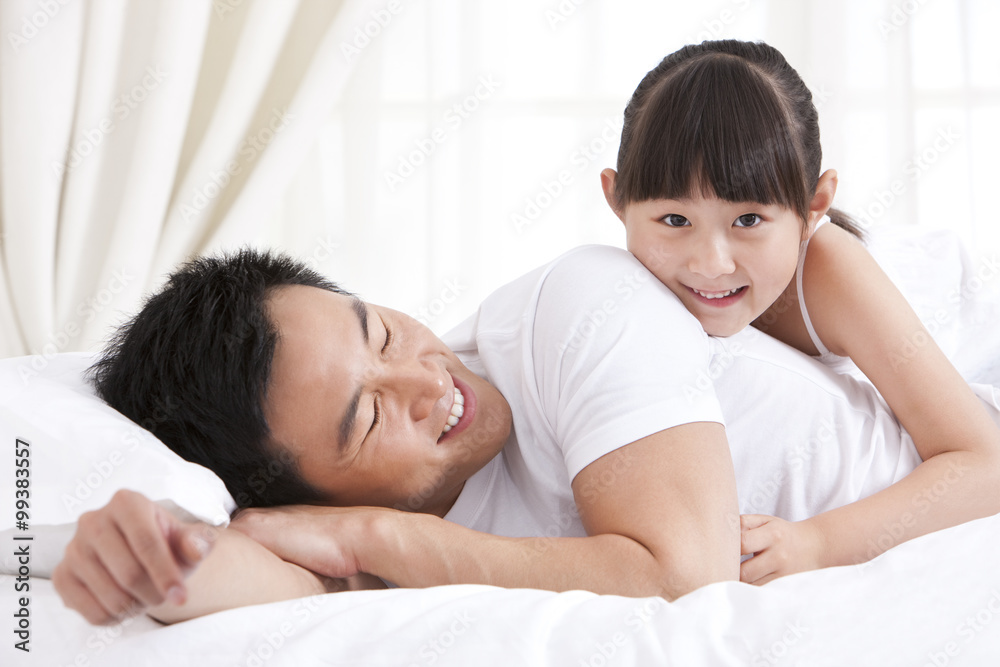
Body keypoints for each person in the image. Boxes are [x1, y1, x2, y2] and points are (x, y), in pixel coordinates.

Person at [53, 245, 1000, 626]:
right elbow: (258, 568)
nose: (426, 380)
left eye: (379, 331)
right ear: (302, 493)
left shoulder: (572, 312)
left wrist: (381, 538)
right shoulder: (342, 521)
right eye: (370, 415)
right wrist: (155, 549)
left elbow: (686, 574)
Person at [599, 39, 1000, 585]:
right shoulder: (617, 287)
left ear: (815, 206)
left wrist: (817, 542)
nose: (712, 264)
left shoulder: (830, 270)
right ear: (615, 198)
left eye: (748, 220)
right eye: (674, 220)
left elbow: (986, 464)